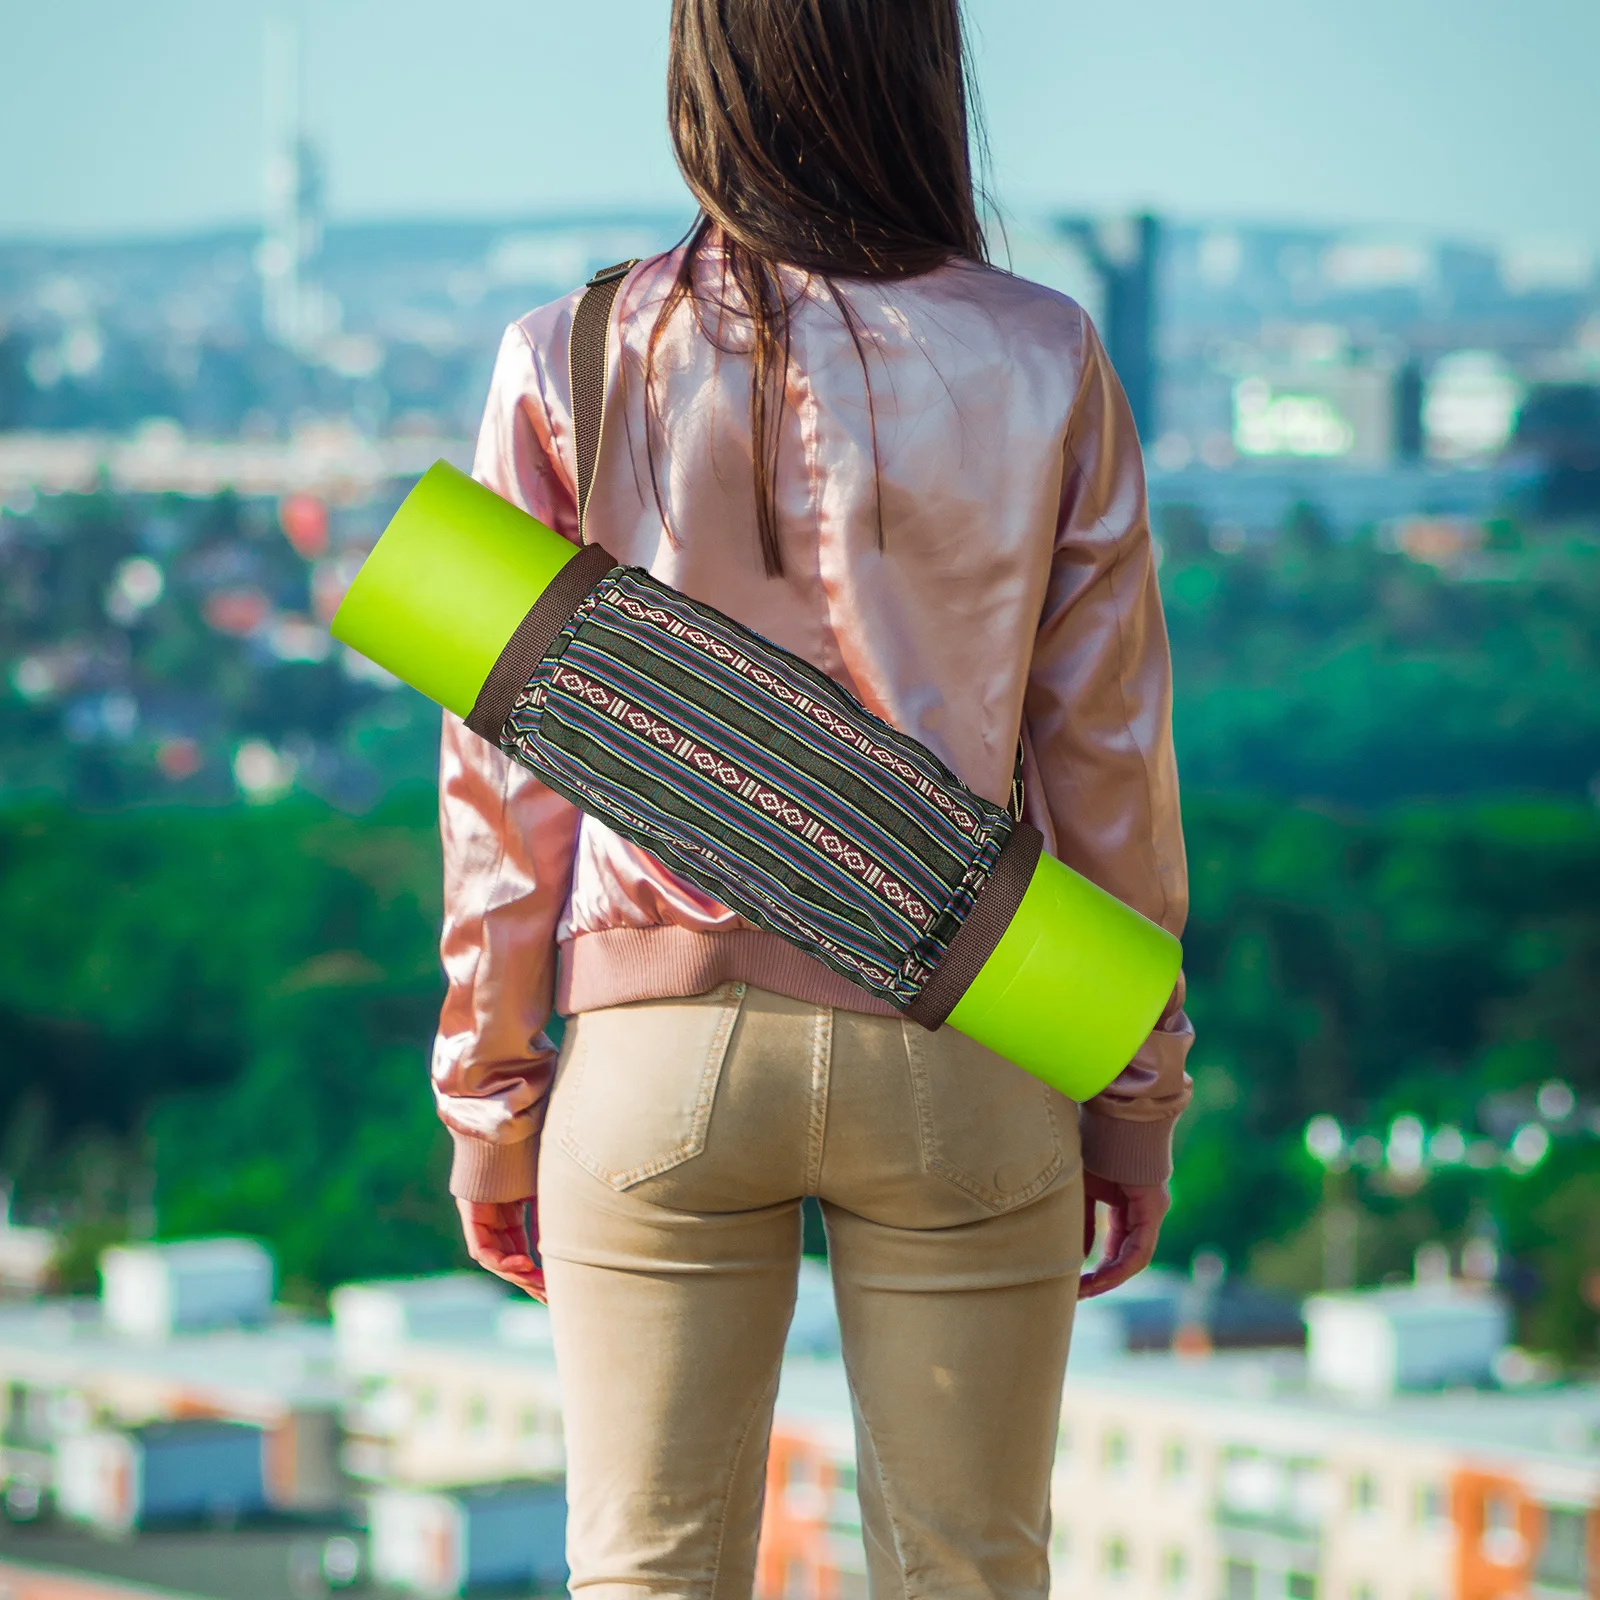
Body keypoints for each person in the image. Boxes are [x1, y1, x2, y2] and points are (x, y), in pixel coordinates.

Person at [435, 2, 1192, 1594]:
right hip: (972, 1025)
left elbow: (502, 793)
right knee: (971, 1571)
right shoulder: (1047, 351)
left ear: (702, 77)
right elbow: (1108, 762)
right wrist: (1134, 1095)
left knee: (643, 1572)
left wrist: (492, 1100)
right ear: (922, 68)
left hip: (654, 1055)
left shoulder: (564, 356)